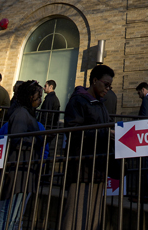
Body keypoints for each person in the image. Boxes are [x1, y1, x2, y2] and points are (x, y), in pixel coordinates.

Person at [61, 64, 114, 230]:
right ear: (94, 80)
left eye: (110, 86)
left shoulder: (100, 104)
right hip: (82, 168)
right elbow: (73, 131)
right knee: (76, 216)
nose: (108, 88)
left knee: (93, 216)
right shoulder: (78, 101)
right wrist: (105, 133)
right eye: (105, 84)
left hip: (98, 167)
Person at [0, 80, 46, 230]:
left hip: (23, 170)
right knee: (7, 214)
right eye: (38, 97)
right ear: (29, 97)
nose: (40, 100)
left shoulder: (27, 114)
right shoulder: (21, 114)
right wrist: (37, 141)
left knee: (14, 216)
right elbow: (16, 139)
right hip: (17, 171)